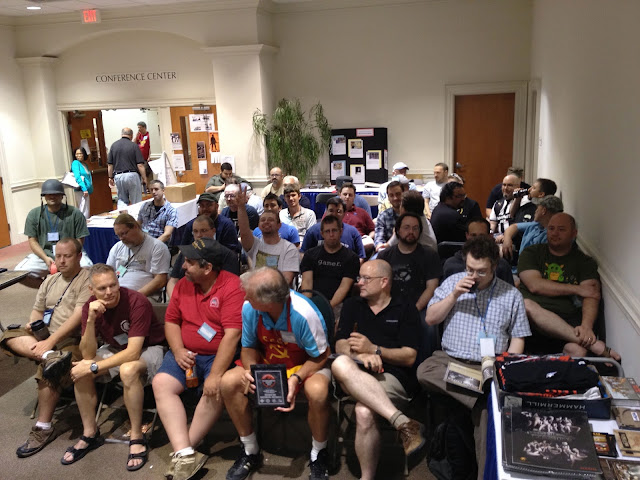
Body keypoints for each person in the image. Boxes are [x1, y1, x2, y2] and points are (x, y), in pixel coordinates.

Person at [417, 236, 531, 478]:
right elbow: (431, 318)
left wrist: (506, 368)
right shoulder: (452, 283)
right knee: (424, 370)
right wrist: (453, 296)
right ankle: (481, 394)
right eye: (470, 269)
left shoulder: (511, 295)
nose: (474, 276)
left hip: (488, 365)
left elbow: (518, 338)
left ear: (494, 267)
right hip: (450, 361)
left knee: (487, 419)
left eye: (481, 271)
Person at [220, 267, 332, 480]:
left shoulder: (303, 313)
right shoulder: (250, 308)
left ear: (268, 302)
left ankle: (319, 453)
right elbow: (248, 347)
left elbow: (322, 355)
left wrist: (296, 379)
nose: (245, 298)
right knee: (228, 382)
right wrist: (251, 370)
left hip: (305, 364)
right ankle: (250, 450)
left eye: (250, 295)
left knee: (318, 392)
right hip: (268, 362)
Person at [153, 238, 244, 480]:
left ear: (207, 268)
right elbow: (171, 321)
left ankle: (183, 451)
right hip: (185, 353)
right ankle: (185, 454)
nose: (183, 266)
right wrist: (178, 350)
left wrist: (215, 374)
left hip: (218, 354)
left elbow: (232, 335)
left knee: (214, 389)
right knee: (161, 383)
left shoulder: (232, 286)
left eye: (190, 262)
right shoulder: (183, 284)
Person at [61, 264, 166, 470]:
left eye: (113, 285)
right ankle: (90, 433)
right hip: (116, 347)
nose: (109, 292)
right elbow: (88, 354)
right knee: (81, 371)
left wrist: (93, 367)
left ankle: (136, 436)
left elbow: (133, 352)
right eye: (102, 288)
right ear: (91, 290)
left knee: (127, 370)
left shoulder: (137, 301)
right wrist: (90, 320)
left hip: (150, 347)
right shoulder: (90, 307)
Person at [331, 260, 426, 480]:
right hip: (355, 372)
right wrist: (361, 356)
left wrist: (375, 350)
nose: (359, 283)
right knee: (339, 363)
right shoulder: (353, 305)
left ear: (384, 282)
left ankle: (367, 477)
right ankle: (402, 422)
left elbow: (409, 356)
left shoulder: (405, 308)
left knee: (364, 412)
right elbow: (340, 344)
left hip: (393, 376)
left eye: (366, 278)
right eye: (359, 277)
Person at [0, 238, 91, 458]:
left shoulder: (87, 280)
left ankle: (43, 428)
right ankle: (51, 356)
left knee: (49, 371)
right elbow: (37, 310)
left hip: (72, 339)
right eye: (58, 256)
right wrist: (34, 325)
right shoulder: (50, 280)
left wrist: (50, 341)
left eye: (67, 256)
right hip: (45, 337)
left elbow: (77, 318)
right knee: (9, 335)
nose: (61, 261)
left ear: (79, 256)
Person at [518, 213, 621, 360]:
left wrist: (586, 327)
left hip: (566, 323)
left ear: (574, 233)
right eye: (551, 228)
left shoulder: (584, 262)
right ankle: (593, 345)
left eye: (561, 229)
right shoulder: (532, 253)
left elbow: (591, 295)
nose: (555, 233)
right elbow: (535, 285)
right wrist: (577, 289)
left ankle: (579, 347)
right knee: (526, 304)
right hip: (529, 323)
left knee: (578, 352)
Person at [16, 179, 92, 287]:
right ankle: (49, 289)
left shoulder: (75, 213)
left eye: (56, 194)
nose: (52, 196)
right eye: (49, 194)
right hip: (44, 255)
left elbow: (80, 240)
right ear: (44, 196)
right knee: (18, 274)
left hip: (71, 254)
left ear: (62, 196)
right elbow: (32, 240)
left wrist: (67, 257)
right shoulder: (34, 214)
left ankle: (71, 289)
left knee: (87, 270)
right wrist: (45, 258)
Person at [378, 212, 441, 311]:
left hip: (420, 308)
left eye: (415, 228)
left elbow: (431, 288)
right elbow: (378, 285)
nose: (411, 232)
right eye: (406, 227)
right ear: (398, 230)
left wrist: (414, 311)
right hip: (389, 308)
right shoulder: (384, 256)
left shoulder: (430, 255)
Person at [237, 187, 299, 285]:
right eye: (263, 220)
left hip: (278, 291)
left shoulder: (289, 249)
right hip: (256, 288)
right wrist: (241, 207)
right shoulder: (255, 245)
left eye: (270, 220)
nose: (266, 222)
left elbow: (286, 280)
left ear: (279, 225)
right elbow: (244, 232)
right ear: (259, 225)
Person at [167, 215, 240, 297]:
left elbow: (232, 284)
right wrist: (175, 300)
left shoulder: (227, 255)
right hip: (186, 296)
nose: (199, 235)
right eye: (195, 231)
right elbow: (173, 281)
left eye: (203, 231)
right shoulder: (186, 252)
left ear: (213, 231)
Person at [300, 215, 360, 315]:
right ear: (322, 234)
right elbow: (307, 282)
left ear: (341, 232)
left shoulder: (351, 258)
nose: (331, 234)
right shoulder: (310, 254)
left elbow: (344, 287)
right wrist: (310, 307)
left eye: (334, 230)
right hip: (313, 302)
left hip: (339, 304)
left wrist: (327, 309)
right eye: (327, 231)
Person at [106, 213, 170, 297]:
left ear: (135, 227)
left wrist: (136, 296)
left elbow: (160, 280)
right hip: (117, 295)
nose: (121, 238)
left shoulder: (157, 247)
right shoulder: (117, 247)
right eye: (118, 236)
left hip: (145, 296)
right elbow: (108, 274)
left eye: (124, 233)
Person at [443, 218, 514, 285]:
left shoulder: (501, 266)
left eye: (481, 235)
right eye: (473, 235)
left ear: (489, 236)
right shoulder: (451, 265)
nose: (477, 239)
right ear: (467, 235)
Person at [502, 195, 564, 263]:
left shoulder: (552, 236)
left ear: (543, 211)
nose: (535, 211)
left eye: (537, 208)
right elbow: (514, 226)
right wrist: (507, 239)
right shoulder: (535, 224)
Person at [301, 197, 365, 260]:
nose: (334, 214)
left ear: (344, 213)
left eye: (338, 211)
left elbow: (361, 257)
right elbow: (303, 253)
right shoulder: (313, 231)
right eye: (331, 211)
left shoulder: (353, 232)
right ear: (326, 212)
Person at [107, 127, 147, 209]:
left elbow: (110, 165)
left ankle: (122, 216)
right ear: (131, 135)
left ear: (121, 134)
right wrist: (144, 177)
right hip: (132, 175)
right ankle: (136, 216)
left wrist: (110, 177)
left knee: (122, 200)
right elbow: (140, 165)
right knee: (136, 201)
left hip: (118, 176)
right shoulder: (134, 146)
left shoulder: (114, 146)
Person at [340, 182, 376, 254]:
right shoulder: (332, 211)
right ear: (340, 195)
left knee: (369, 244)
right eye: (345, 194)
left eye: (350, 195)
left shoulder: (362, 212)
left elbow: (373, 230)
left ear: (354, 197)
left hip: (360, 243)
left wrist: (368, 238)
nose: (347, 197)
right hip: (339, 242)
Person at [374, 180, 403, 252]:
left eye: (398, 194)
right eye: (391, 195)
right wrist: (383, 250)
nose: (395, 198)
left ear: (404, 194)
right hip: (388, 252)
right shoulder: (383, 216)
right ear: (388, 198)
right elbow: (379, 240)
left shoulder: (412, 215)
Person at [489, 174, 520, 238]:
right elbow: (493, 223)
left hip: (515, 239)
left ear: (518, 186)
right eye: (504, 185)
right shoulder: (497, 204)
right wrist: (490, 234)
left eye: (509, 185)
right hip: (498, 238)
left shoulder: (523, 203)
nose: (505, 188)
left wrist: (505, 236)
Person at [70, 147, 93, 219]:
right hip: (81, 189)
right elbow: (77, 177)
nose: (78, 155)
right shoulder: (75, 163)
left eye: (80, 153)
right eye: (76, 154)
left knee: (86, 209)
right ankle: (83, 223)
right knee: (83, 209)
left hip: (86, 189)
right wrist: (84, 189)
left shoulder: (84, 164)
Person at [134, 121, 153, 185]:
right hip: (139, 158)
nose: (139, 129)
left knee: (146, 172)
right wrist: (136, 136)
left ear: (144, 127)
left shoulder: (148, 135)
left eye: (140, 127)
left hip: (146, 158)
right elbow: (134, 144)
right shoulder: (139, 135)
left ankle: (147, 185)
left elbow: (151, 146)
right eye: (138, 128)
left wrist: (150, 156)